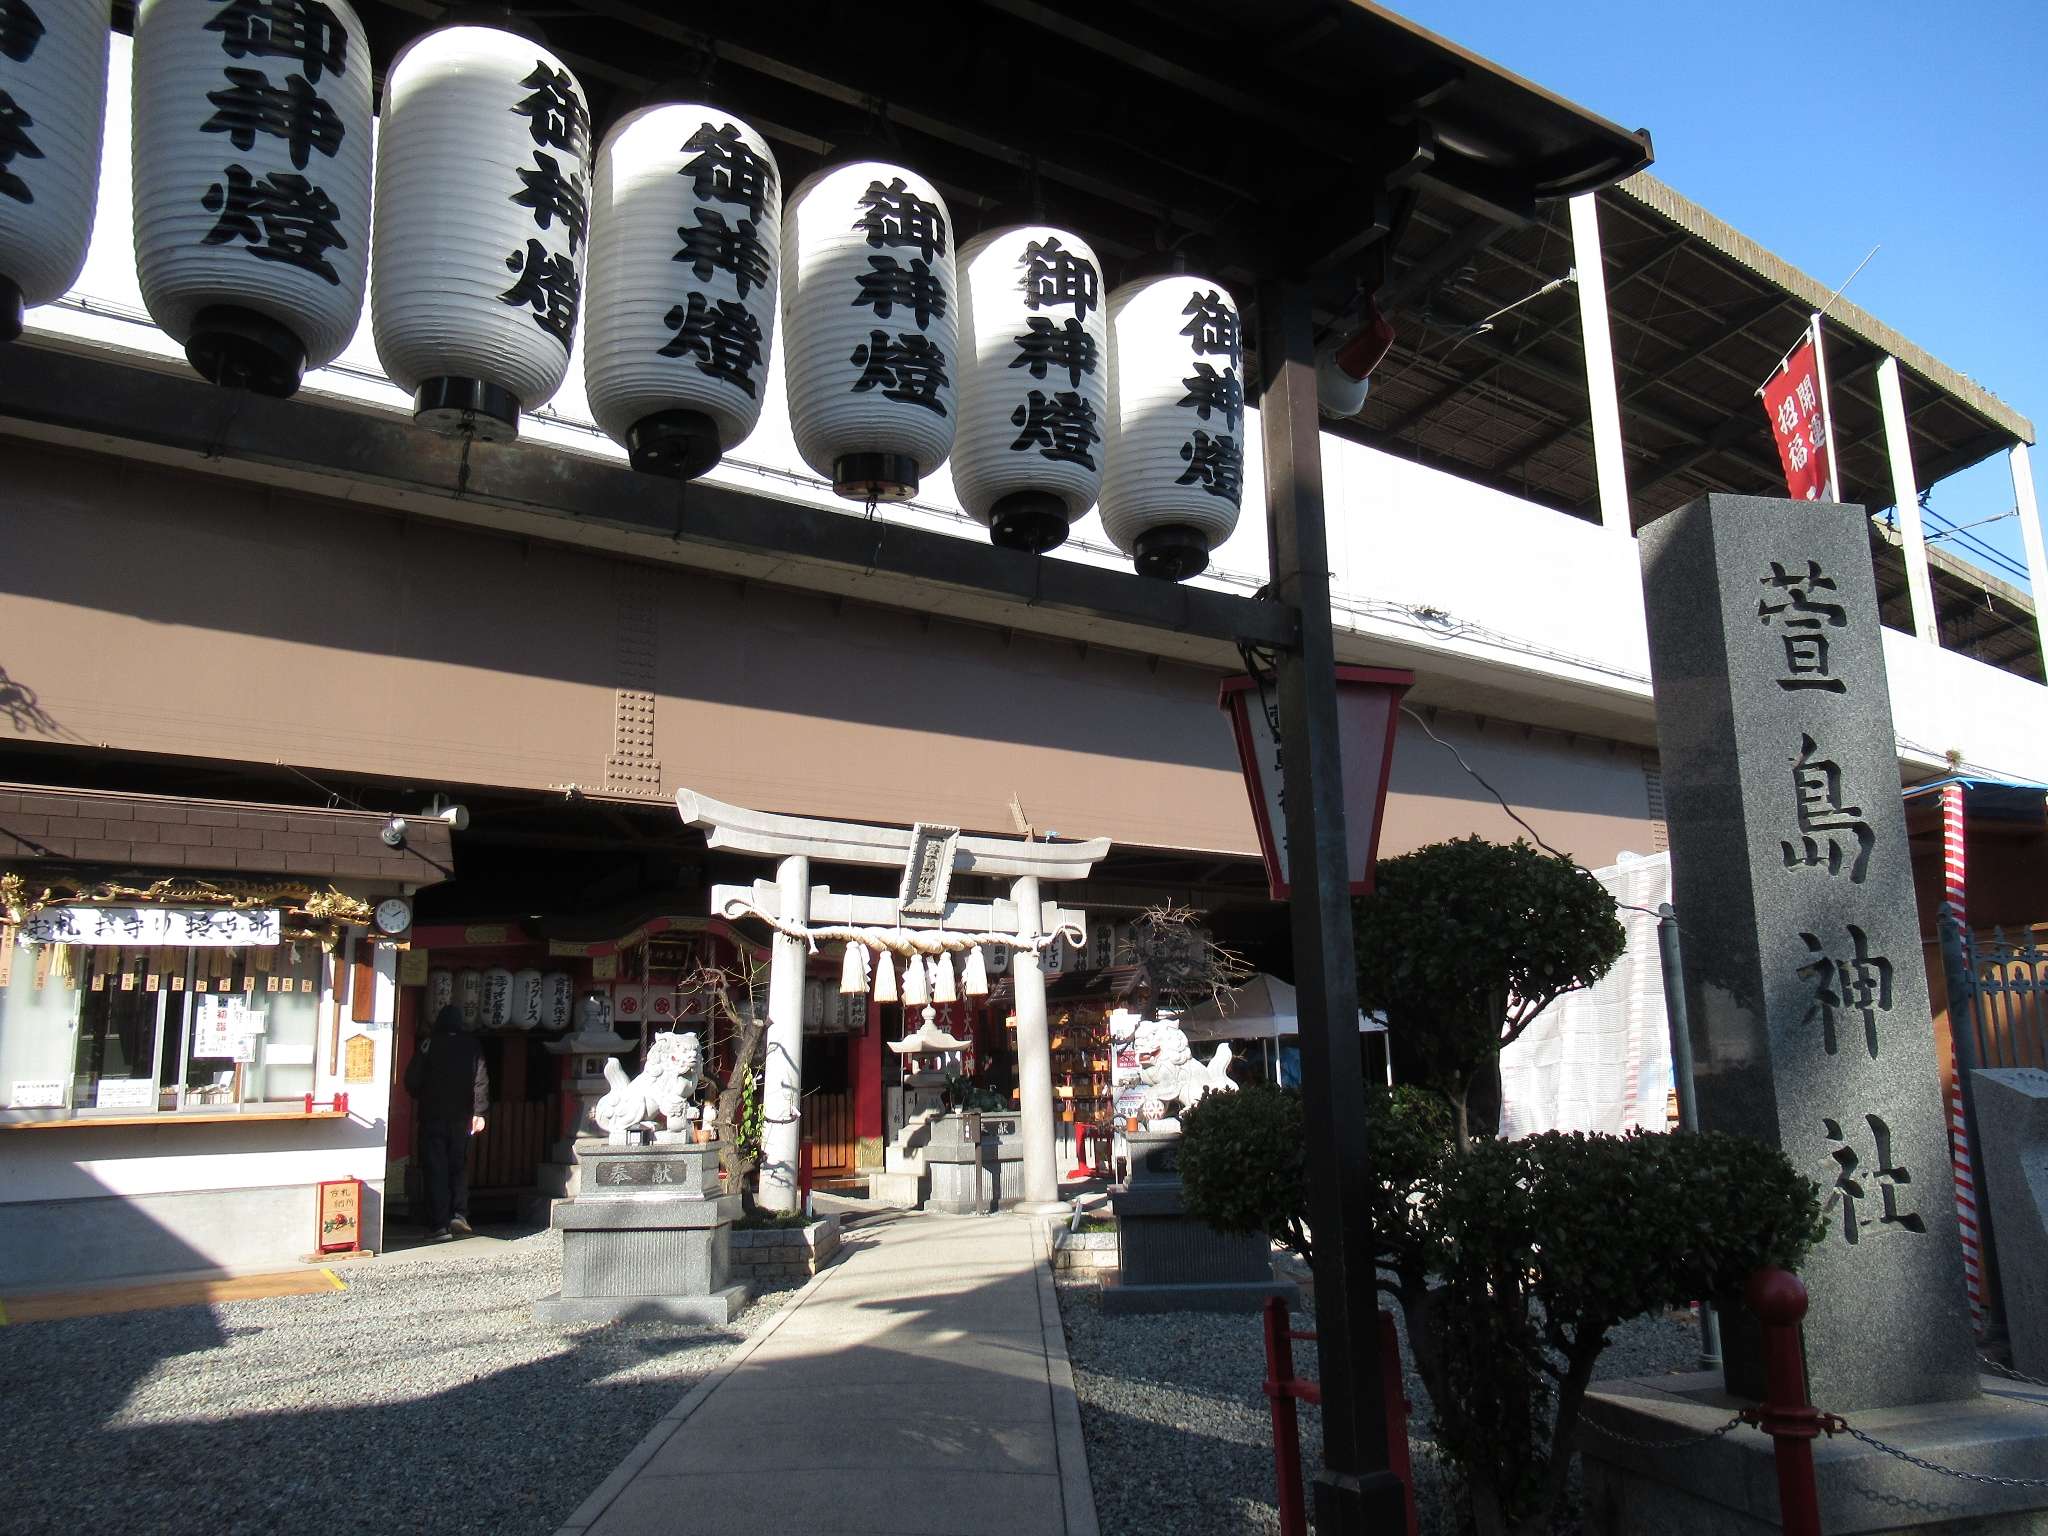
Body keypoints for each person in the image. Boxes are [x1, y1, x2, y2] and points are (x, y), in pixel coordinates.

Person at [404, 1004, 488, 1241]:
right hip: (462, 1118)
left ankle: (439, 1225)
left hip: (433, 1115)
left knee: (435, 1168)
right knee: (458, 1166)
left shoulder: (429, 1044)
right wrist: (479, 1111)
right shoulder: (472, 1045)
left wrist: (423, 1095)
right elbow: (480, 1081)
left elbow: (412, 1078)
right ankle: (459, 1215)